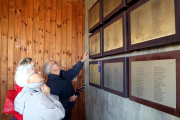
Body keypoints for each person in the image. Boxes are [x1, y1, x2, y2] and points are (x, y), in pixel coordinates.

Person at [42, 52, 88, 120]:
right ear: (51, 69)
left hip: (68, 110)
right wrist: (68, 100)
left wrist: (82, 60)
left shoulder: (63, 74)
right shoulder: (51, 84)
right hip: (61, 114)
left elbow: (73, 71)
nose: (56, 62)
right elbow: (53, 102)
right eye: (54, 62)